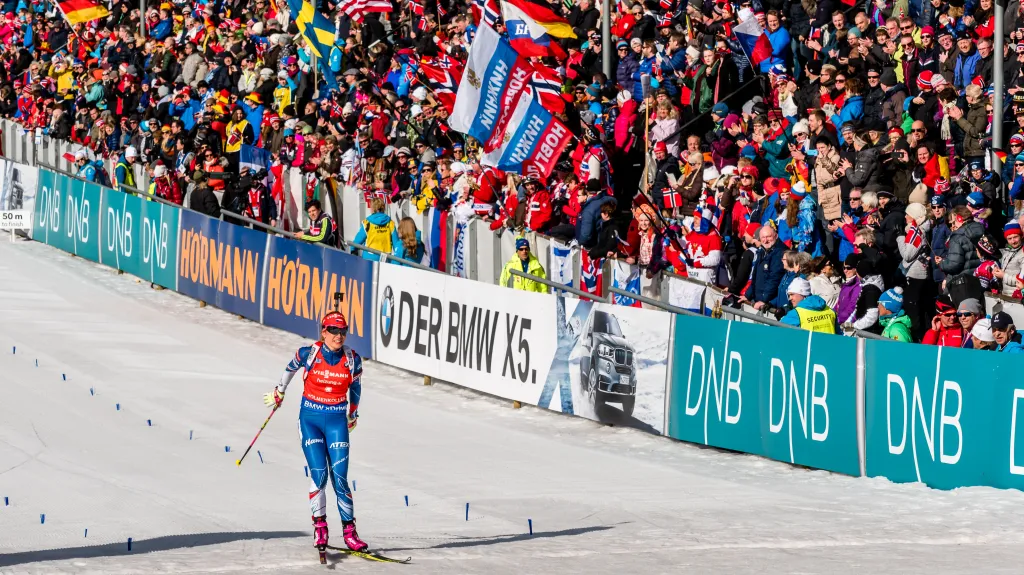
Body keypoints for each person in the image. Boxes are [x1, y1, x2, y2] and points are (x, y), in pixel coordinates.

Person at [263, 310, 366, 555]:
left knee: (340, 477)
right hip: (310, 419)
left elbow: (356, 388)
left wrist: (352, 414)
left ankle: (350, 533)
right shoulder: (309, 353)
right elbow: (289, 369)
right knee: (319, 474)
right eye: (333, 331)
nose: (338, 336)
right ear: (323, 331)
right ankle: (320, 526)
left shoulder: (352, 359)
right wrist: (280, 391)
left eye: (342, 331)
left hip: (336, 422)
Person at [744, 225, 786, 311]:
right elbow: (755, 277)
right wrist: (747, 296)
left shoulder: (780, 253)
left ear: (776, 236)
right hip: (759, 301)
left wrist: (764, 300)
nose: (765, 240)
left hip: (769, 304)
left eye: (768, 237)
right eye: (763, 237)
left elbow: (774, 279)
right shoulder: (762, 251)